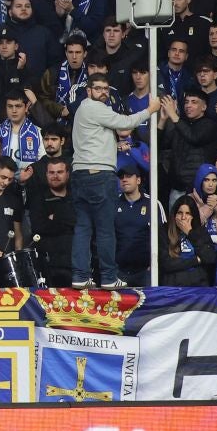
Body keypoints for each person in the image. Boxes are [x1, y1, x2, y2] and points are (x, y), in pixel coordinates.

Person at [69, 74, 166, 287]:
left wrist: (113, 146)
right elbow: (125, 123)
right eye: (98, 88)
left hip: (81, 174)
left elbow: (107, 135)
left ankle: (80, 276)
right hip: (99, 176)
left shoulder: (84, 109)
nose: (103, 92)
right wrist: (151, 109)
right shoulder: (96, 108)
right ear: (88, 91)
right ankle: (109, 278)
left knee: (84, 228)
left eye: (106, 88)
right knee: (105, 230)